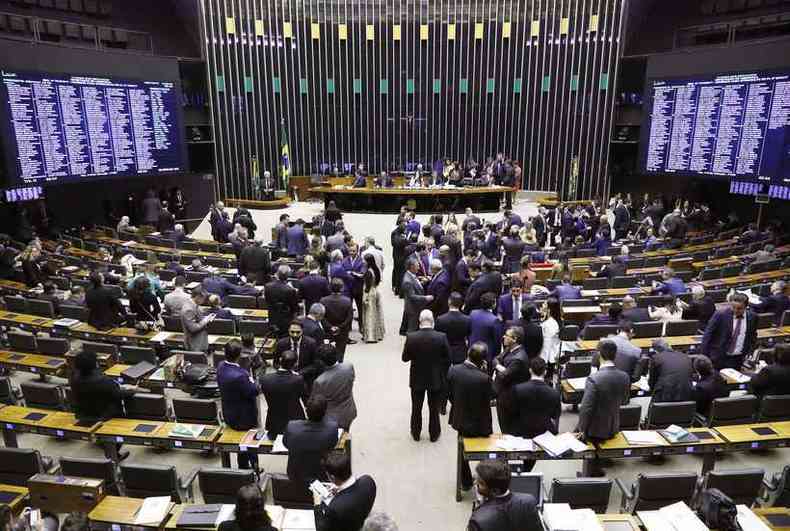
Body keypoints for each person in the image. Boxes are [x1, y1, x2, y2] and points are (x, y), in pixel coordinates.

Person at [575, 340, 631, 476]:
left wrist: (581, 429)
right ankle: (597, 471)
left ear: (599, 355)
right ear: (615, 355)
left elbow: (587, 408)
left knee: (590, 454)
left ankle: (590, 477)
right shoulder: (624, 376)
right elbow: (625, 400)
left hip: (595, 428)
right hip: (613, 424)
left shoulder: (594, 378)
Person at [70, 350, 137, 460]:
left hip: (83, 414)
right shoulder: (103, 381)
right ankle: (113, 453)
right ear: (95, 364)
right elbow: (119, 395)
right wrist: (133, 390)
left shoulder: (74, 378)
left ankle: (106, 445)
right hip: (106, 416)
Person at [447, 342, 494, 489]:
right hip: (481, 422)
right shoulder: (484, 378)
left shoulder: (453, 370)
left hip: (460, 419)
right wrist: (486, 373)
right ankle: (485, 480)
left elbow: (449, 394)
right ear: (483, 361)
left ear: (468, 353)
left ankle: (465, 481)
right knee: (486, 451)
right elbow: (492, 395)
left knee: (462, 452)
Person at [402, 310, 450, 442]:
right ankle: (434, 434)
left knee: (416, 408)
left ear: (419, 321)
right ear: (432, 321)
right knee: (434, 408)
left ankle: (415, 433)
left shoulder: (411, 337)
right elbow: (448, 358)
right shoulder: (441, 337)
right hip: (435, 378)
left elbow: (405, 358)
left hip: (417, 378)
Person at [512, 357, 561, 472]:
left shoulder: (518, 389)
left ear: (530, 370)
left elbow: (513, 411)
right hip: (544, 432)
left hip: (521, 431)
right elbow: (555, 415)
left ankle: (525, 471)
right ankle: (527, 471)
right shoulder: (554, 393)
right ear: (545, 371)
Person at [217, 340, 260, 470]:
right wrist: (252, 379)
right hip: (244, 418)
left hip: (229, 413)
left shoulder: (220, 366)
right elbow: (254, 391)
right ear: (239, 355)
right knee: (249, 444)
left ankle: (245, 466)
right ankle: (252, 468)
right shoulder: (241, 376)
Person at [467, 460, 542, 531]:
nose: (475, 483)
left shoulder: (478, 519)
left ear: (495, 491)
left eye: (480, 483)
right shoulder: (529, 501)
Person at [283, 393, 339, 485]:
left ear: (306, 410)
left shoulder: (292, 426)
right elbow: (332, 444)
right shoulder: (332, 428)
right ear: (325, 412)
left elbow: (285, 443)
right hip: (321, 476)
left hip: (295, 475)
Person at [313, 453, 376, 531]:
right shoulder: (368, 482)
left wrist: (317, 505)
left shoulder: (335, 508)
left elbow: (321, 529)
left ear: (332, 477)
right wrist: (339, 489)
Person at [701, 292, 758, 370]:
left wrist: (749, 351)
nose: (735, 310)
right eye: (733, 307)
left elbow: (753, 336)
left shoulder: (753, 317)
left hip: (737, 359)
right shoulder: (720, 314)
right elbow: (707, 335)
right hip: (718, 357)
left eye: (739, 308)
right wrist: (705, 356)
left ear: (746, 307)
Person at [258, 350, 306, 439]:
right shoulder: (298, 380)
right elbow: (302, 395)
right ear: (295, 364)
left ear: (280, 360)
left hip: (274, 422)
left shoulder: (265, 379)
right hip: (294, 420)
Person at [493, 327, 530, 433]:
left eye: (507, 335)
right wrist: (500, 367)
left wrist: (498, 366)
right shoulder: (510, 349)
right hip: (504, 394)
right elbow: (495, 359)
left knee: (507, 428)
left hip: (510, 399)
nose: (504, 337)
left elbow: (504, 376)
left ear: (514, 339)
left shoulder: (518, 358)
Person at [312, 344, 357, 430]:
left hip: (331, 418)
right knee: (346, 435)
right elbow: (352, 379)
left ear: (321, 361)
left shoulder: (320, 381)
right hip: (349, 410)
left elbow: (316, 403)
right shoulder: (348, 366)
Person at [274, 320, 322, 388]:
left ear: (302, 330)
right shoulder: (281, 344)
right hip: (286, 379)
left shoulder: (311, 343)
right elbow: (276, 363)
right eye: (292, 332)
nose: (295, 335)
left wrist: (299, 373)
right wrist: (285, 373)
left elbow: (315, 364)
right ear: (288, 330)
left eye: (298, 332)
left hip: (305, 378)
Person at [321, 279, 354, 360]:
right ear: (342, 288)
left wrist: (330, 327)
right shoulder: (347, 301)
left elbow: (322, 317)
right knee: (340, 351)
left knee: (326, 351)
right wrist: (340, 327)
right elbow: (349, 318)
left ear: (330, 287)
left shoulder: (323, 300)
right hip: (342, 331)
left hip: (328, 330)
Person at [436, 292, 472, 365]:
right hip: (460, 352)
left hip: (444, 352)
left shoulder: (440, 319)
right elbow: (468, 334)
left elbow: (438, 336)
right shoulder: (467, 319)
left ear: (449, 301)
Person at [468, 293, 502, 370]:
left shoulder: (473, 313)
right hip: (486, 355)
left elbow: (468, 331)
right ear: (493, 304)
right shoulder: (494, 320)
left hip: (472, 350)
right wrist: (495, 355)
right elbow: (497, 341)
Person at [400, 258, 434, 334]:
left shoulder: (412, 275)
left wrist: (423, 282)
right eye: (417, 265)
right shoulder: (407, 281)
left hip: (416, 307)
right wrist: (426, 298)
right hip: (413, 309)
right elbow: (412, 296)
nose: (419, 267)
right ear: (412, 266)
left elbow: (415, 287)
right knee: (412, 330)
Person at [265, 265, 300, 337]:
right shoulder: (290, 290)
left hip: (272, 317)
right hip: (286, 320)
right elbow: (295, 308)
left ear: (277, 274)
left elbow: (267, 301)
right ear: (288, 276)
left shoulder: (268, 286)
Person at [181, 287, 215, 352]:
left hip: (200, 341)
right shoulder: (188, 309)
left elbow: (198, 320)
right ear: (198, 297)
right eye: (203, 298)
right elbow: (193, 328)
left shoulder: (195, 305)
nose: (204, 301)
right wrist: (205, 321)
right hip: (194, 343)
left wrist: (206, 318)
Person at [362, 253, 385, 343]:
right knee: (377, 313)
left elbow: (367, 287)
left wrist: (365, 298)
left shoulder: (368, 273)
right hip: (375, 291)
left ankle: (370, 336)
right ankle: (378, 334)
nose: (363, 262)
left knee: (369, 314)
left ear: (368, 261)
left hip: (370, 293)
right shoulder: (376, 270)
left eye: (364, 260)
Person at [538, 298, 562, 381]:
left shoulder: (550, 324)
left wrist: (542, 362)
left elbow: (546, 345)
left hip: (548, 358)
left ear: (549, 309)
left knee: (547, 379)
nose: (542, 306)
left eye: (544, 304)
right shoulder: (553, 320)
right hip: (551, 355)